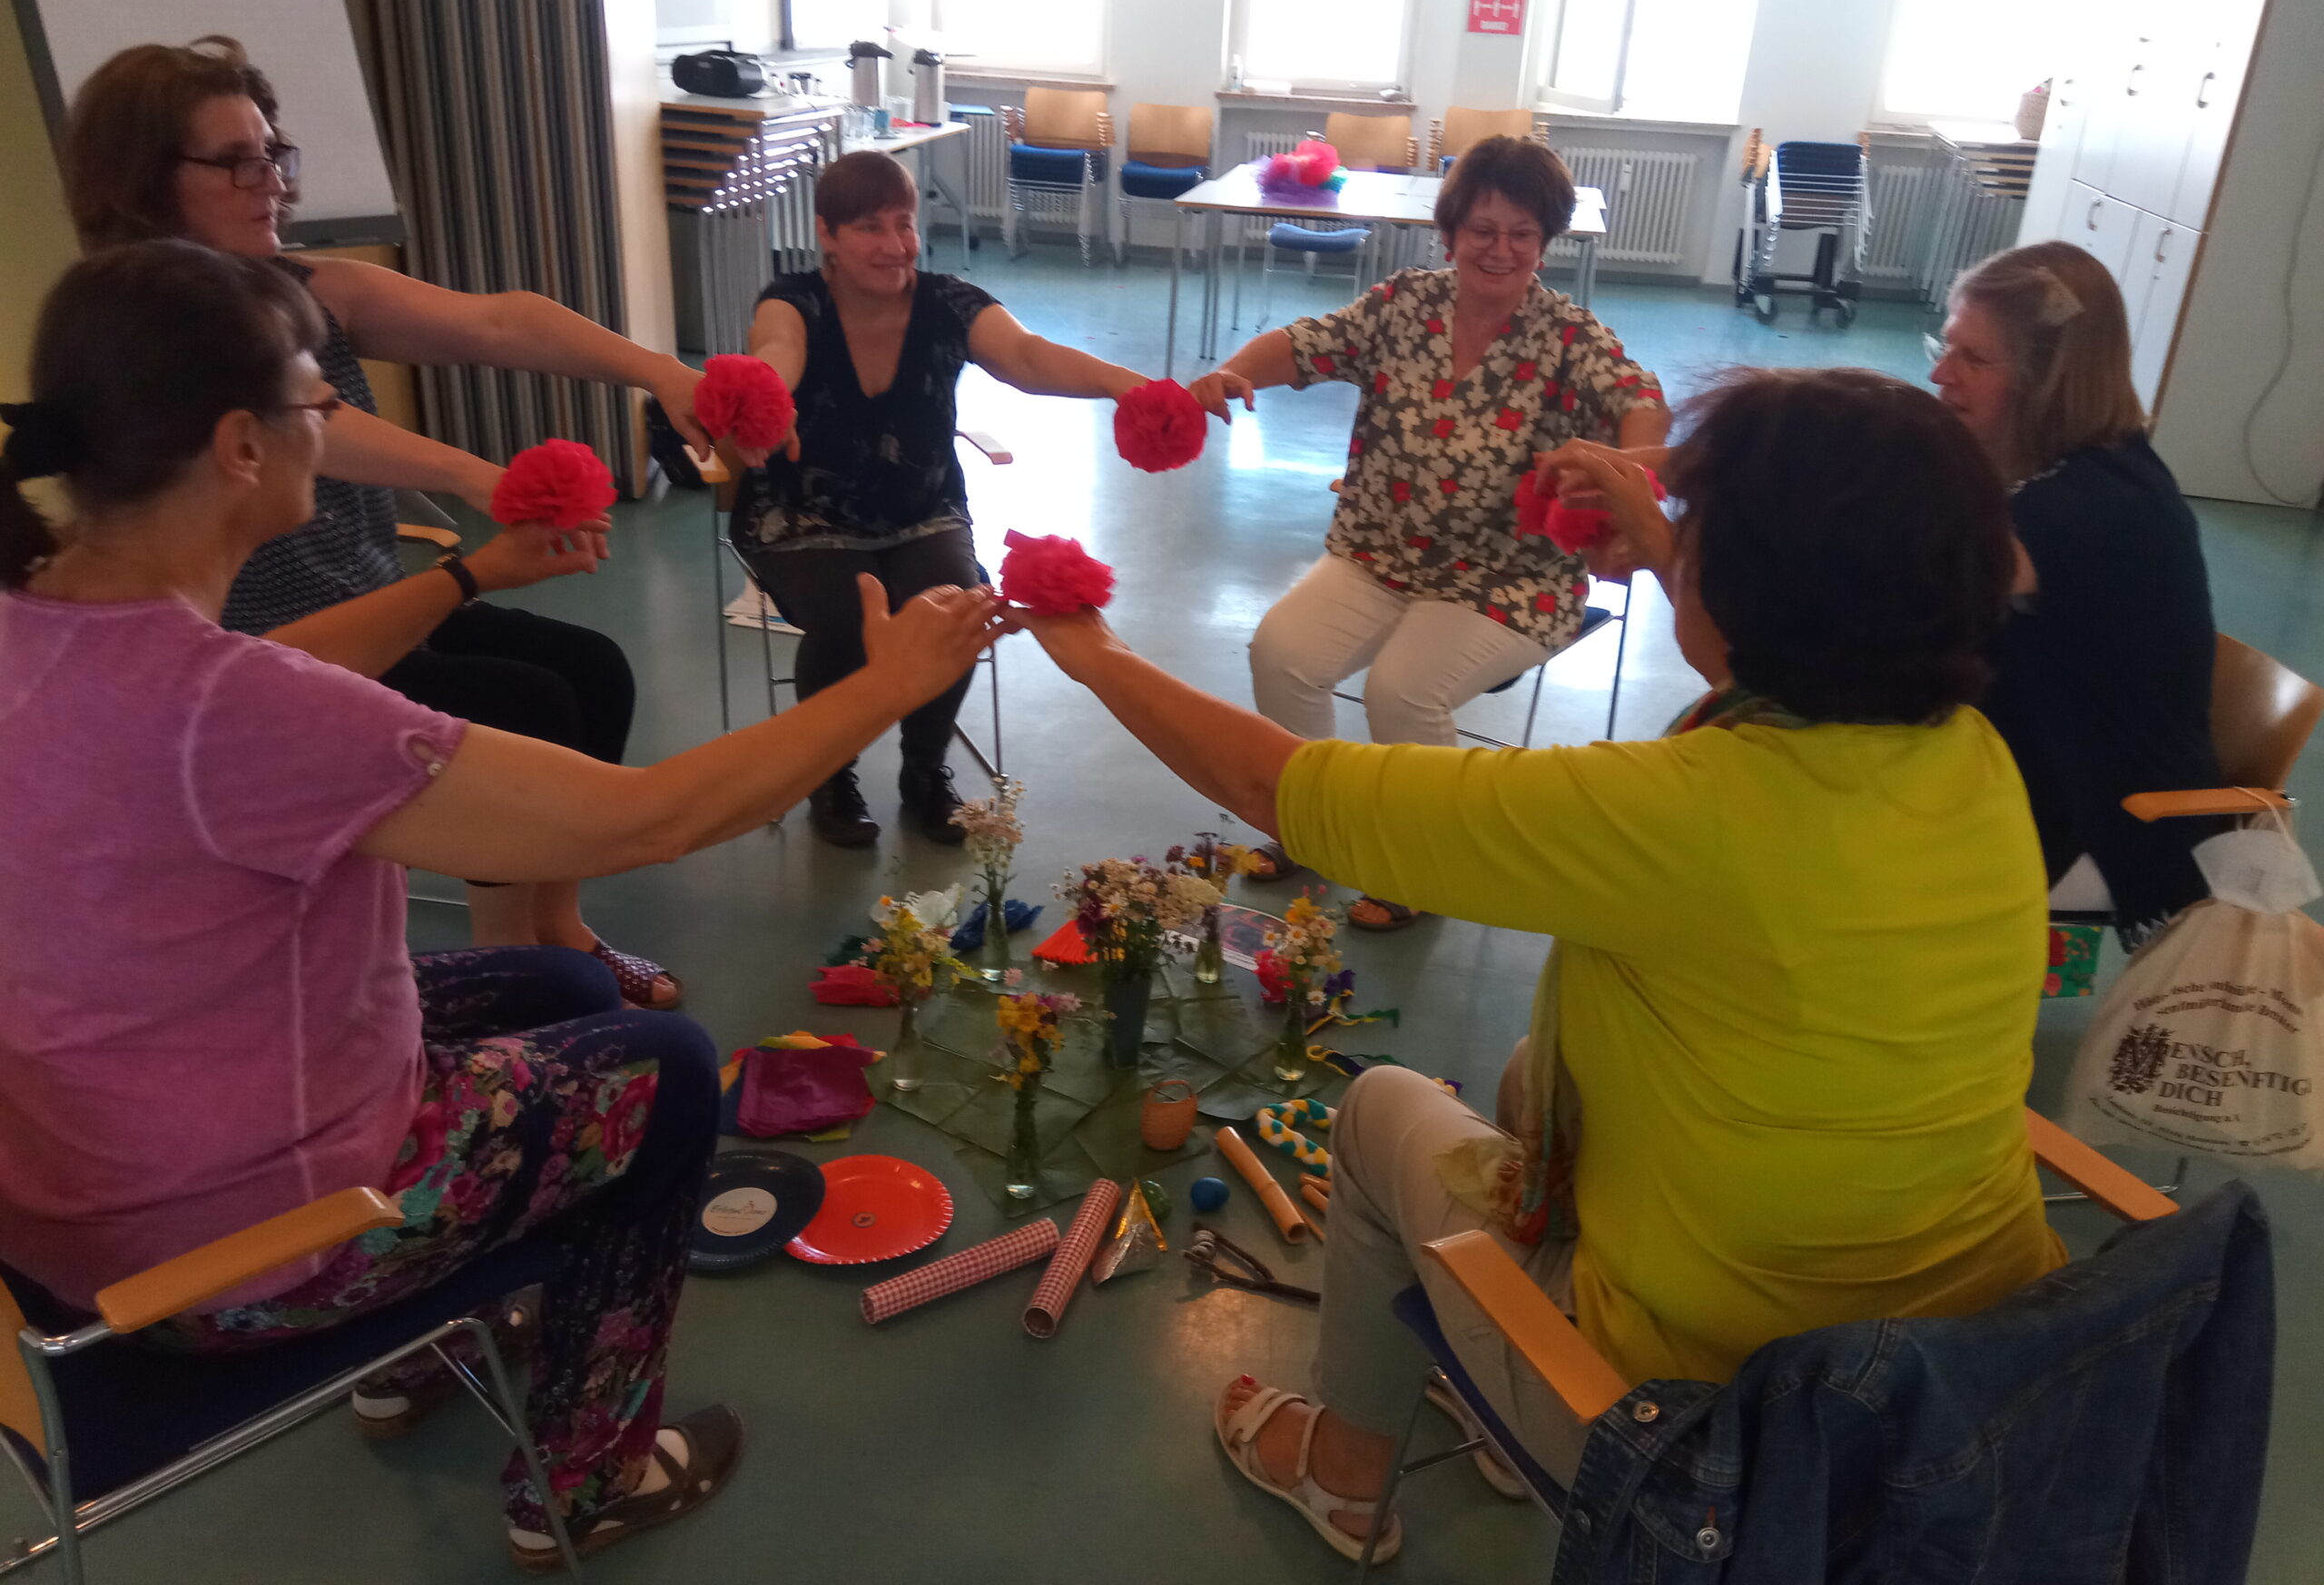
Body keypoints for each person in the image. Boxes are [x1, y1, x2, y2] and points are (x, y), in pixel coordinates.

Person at [0, 241, 1004, 1569]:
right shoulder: (241, 714)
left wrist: (469, 575)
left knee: (563, 985)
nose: (329, 422)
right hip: (241, 1260)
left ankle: (424, 1351)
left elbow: (250, 677)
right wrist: (884, 689)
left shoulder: (45, 626)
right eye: (316, 400)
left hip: (85, 1201)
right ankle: (584, 1481)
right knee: (665, 1073)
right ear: (241, 446)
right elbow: (650, 818)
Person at [1010, 367, 2066, 1561]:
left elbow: (1274, 784)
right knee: (1529, 1075)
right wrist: (1664, 541)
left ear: (1746, 584)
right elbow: (1795, 660)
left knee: (1379, 1113)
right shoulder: (1968, 753)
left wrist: (1092, 650)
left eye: (1698, 527)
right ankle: (1480, 1381)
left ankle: (1348, 1474)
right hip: (1960, 1382)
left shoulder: (1680, 812)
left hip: (1719, 1444)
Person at [64, 35, 703, 1005]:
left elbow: (498, 321)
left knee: (592, 670)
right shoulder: (150, 335)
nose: (270, 183)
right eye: (233, 162)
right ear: (147, 181)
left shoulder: (298, 286)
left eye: (271, 154)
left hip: (374, 597)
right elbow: (319, 424)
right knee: (525, 707)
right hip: (273, 643)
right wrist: (480, 478)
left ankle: (559, 932)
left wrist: (659, 372)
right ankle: (511, 977)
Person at [1187, 136, 1670, 930]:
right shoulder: (1404, 304)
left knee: (1403, 691)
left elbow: (1639, 398)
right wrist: (1234, 370)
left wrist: (1626, 472)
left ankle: (1423, 868)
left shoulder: (1568, 337)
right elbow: (1306, 344)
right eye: (1482, 229)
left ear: (1545, 242)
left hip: (1508, 580)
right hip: (1378, 554)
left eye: (1522, 233)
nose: (1501, 249)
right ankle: (1309, 824)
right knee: (1281, 653)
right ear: (1450, 234)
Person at [724, 149, 1157, 847]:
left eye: (904, 224)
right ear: (826, 233)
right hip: (802, 516)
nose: (895, 245)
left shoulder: (948, 301)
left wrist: (1123, 383)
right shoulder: (793, 299)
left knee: (956, 608)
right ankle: (828, 776)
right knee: (847, 621)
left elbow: (1027, 356)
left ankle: (924, 771)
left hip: (923, 511)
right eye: (870, 227)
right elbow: (778, 348)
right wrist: (762, 391)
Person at [1933, 241, 2223, 945]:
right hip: (2038, 767)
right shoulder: (2084, 465)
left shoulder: (2082, 510)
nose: (1941, 373)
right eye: (1945, 347)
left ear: (2045, 381)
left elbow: (1899, 580)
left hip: (2109, 818)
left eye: (1974, 358)